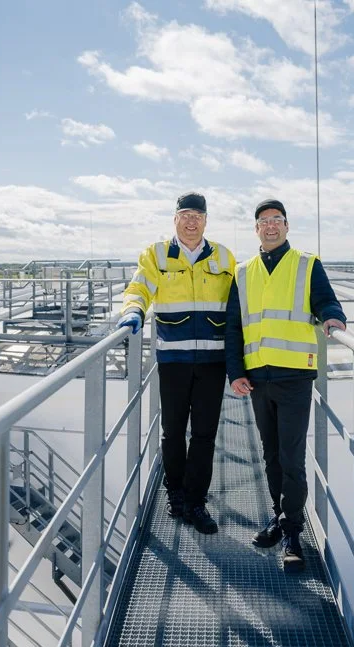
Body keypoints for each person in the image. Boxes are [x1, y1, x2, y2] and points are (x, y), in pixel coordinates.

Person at [225, 199, 346, 572]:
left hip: (294, 374)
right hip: (258, 377)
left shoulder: (307, 264)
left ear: (287, 226)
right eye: (264, 221)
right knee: (272, 454)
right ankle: (280, 517)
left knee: (291, 457)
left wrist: (333, 318)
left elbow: (326, 301)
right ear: (256, 229)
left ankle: (293, 534)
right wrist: (236, 371)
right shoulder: (242, 272)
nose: (271, 225)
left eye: (277, 219)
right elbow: (234, 326)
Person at [117, 192, 236, 535]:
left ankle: (196, 502)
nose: (191, 222)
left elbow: (238, 302)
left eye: (197, 216)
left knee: (204, 434)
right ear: (175, 219)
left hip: (212, 360)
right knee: (172, 432)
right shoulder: (156, 255)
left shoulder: (224, 256)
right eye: (185, 215)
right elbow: (139, 287)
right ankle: (176, 495)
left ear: (206, 221)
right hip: (173, 359)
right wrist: (133, 310)